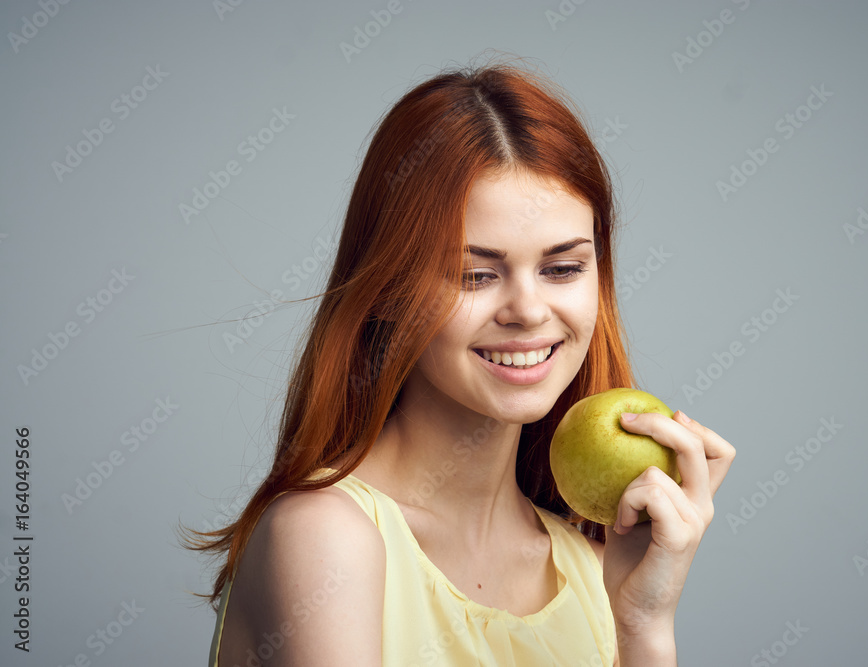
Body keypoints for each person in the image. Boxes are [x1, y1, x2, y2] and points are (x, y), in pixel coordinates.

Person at [182, 56, 736, 666]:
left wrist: (644, 626)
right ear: (390, 290)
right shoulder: (323, 538)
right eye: (474, 274)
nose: (528, 310)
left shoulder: (595, 571)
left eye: (562, 268)